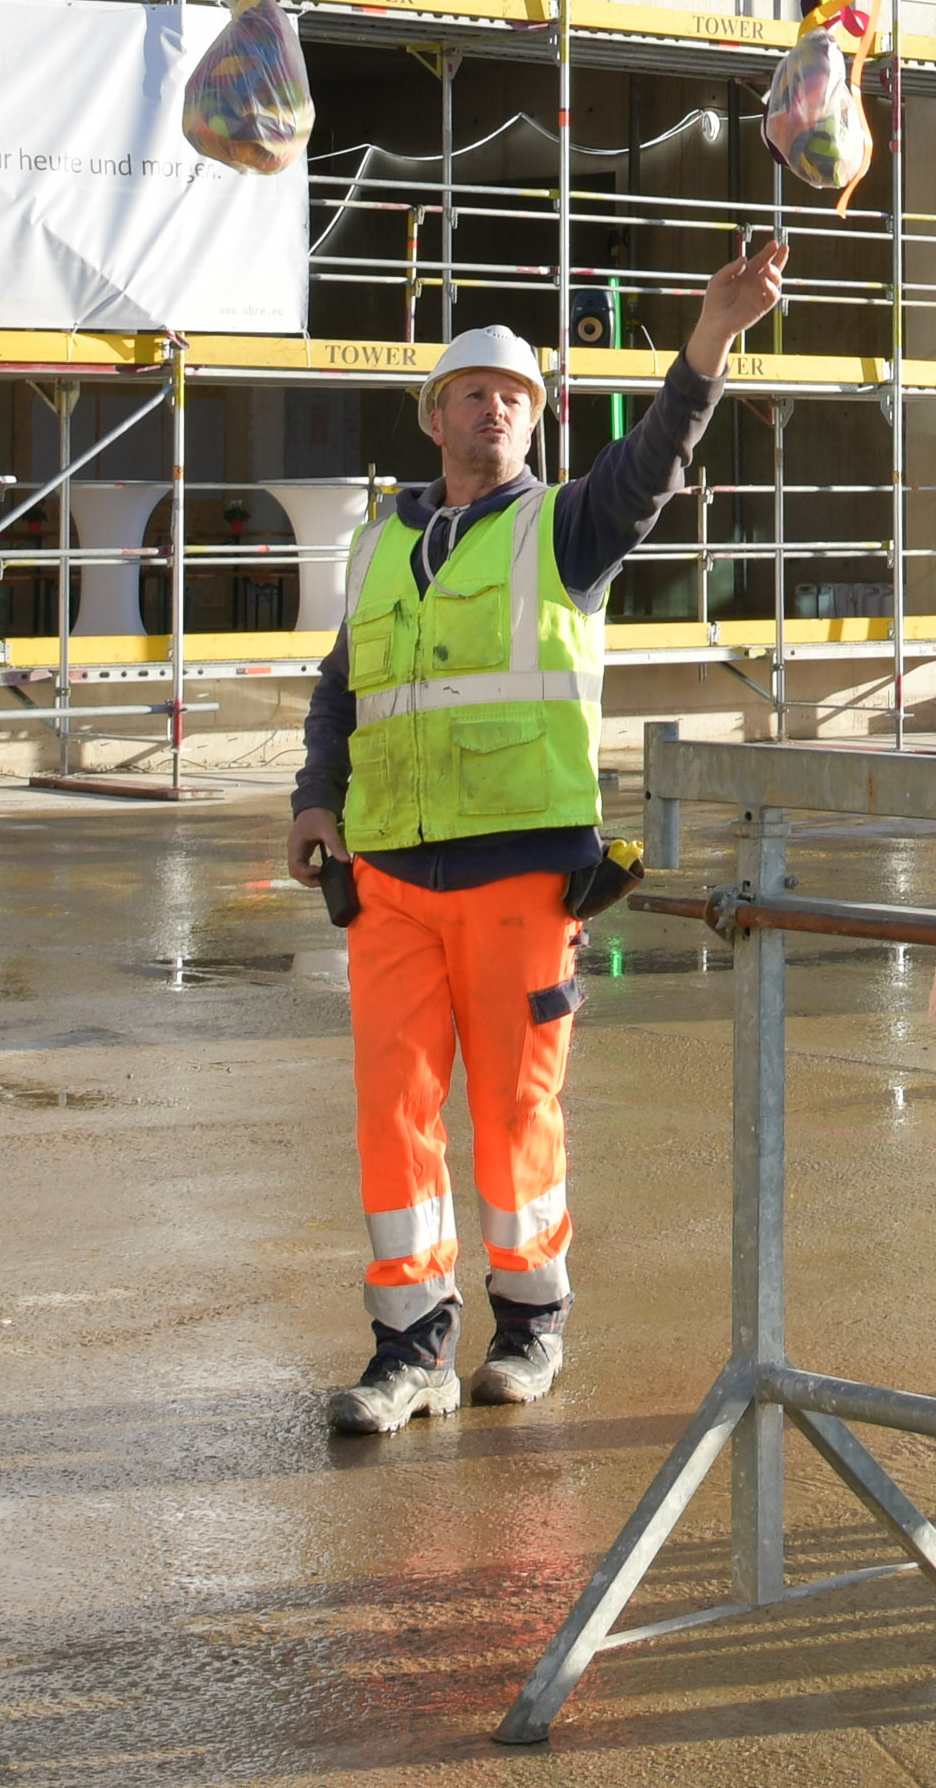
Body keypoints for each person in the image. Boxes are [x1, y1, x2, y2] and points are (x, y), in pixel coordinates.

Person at [288, 238, 793, 1437]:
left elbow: (652, 462)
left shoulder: (564, 528)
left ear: (536, 419)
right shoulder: (379, 545)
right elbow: (342, 688)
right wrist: (315, 797)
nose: (497, 410)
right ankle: (410, 1347)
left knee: (518, 1112)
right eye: (476, 393)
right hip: (388, 879)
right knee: (394, 1114)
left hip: (521, 876)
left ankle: (528, 1327)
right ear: (436, 417)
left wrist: (710, 341)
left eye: (515, 396)